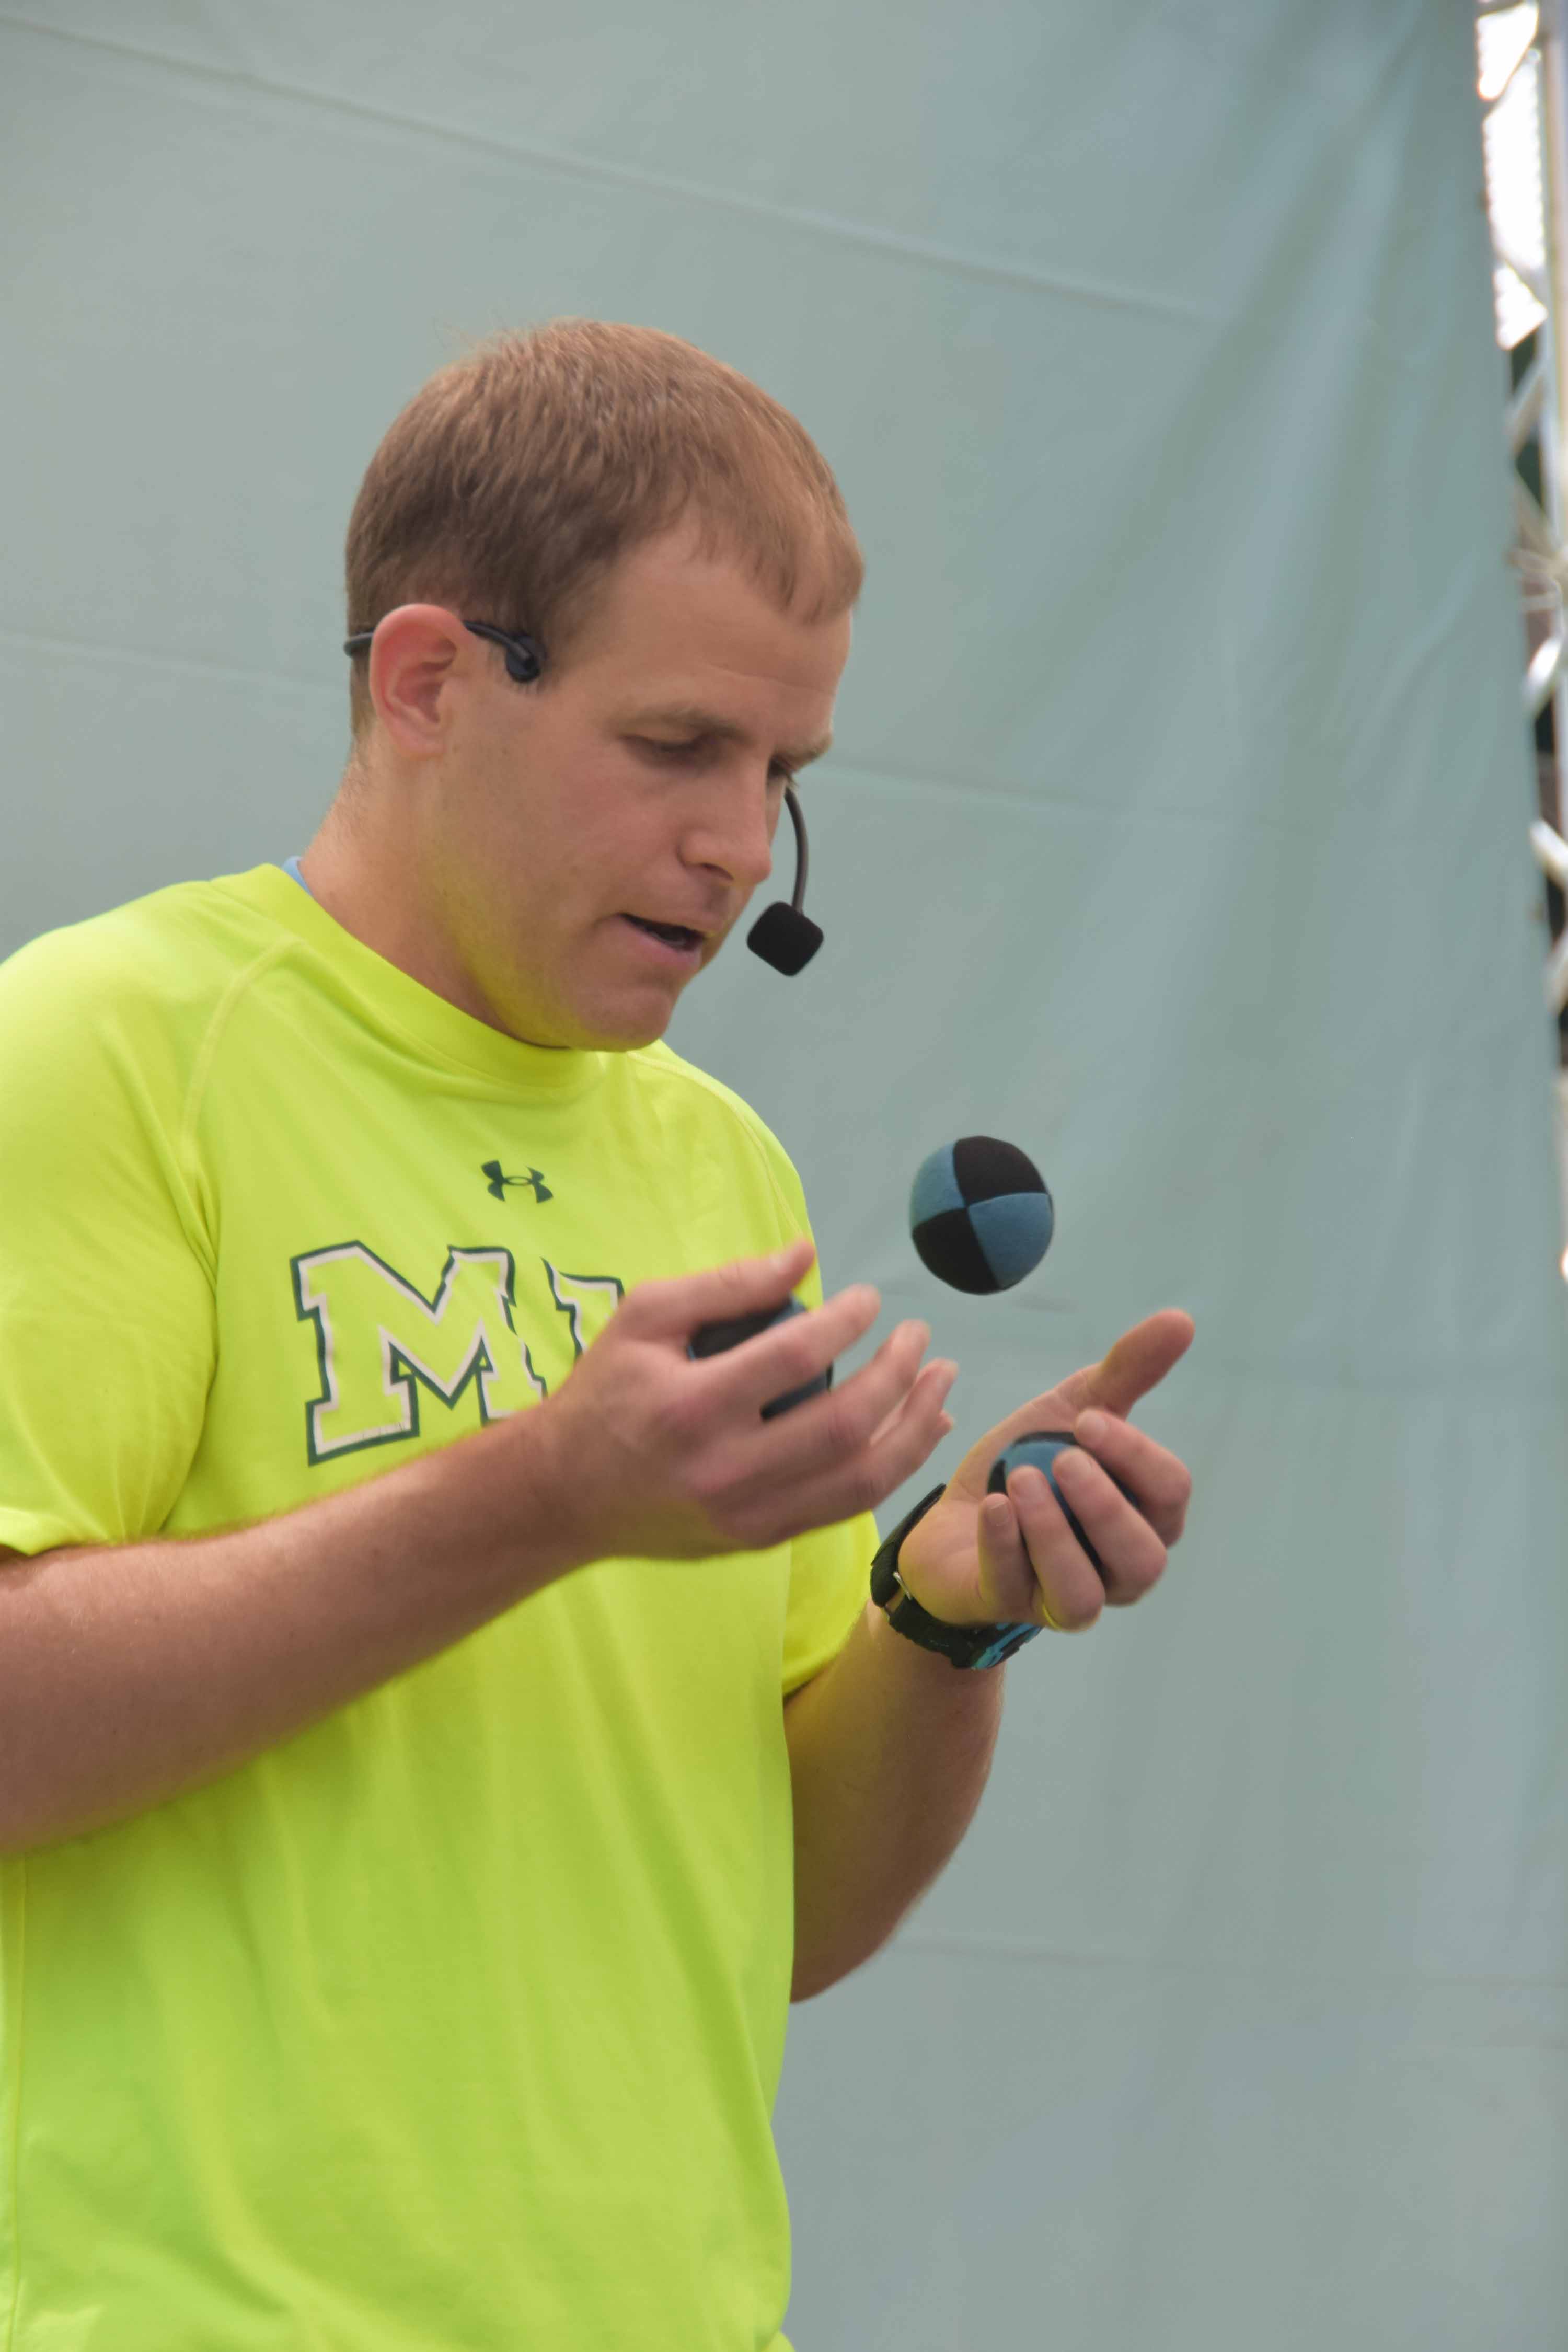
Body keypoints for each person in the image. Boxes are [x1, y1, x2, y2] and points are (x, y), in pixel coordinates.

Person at [0, 319, 1194, 2349]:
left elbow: (782, 1918)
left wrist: (947, 1610)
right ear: (429, 682)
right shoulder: (109, 1050)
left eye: (782, 773)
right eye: (677, 746)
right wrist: (545, 1494)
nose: (738, 844)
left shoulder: (721, 1167)